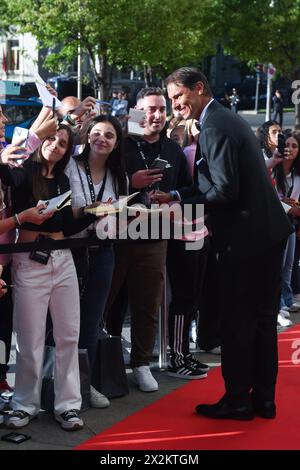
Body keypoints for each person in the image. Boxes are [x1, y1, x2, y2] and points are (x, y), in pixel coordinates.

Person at [165, 67, 292, 420]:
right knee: (264, 321)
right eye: (172, 98)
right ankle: (264, 401)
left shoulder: (215, 126)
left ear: (199, 88)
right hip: (268, 234)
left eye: (178, 97)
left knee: (238, 321)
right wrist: (175, 193)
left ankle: (237, 401)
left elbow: (223, 190)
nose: (175, 105)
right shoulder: (227, 119)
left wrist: (182, 202)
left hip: (244, 240)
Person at [0, 124, 96, 431]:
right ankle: (24, 404)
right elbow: (7, 177)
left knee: (68, 334)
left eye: (63, 142)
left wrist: (98, 211)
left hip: (63, 259)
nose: (55, 145)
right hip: (28, 260)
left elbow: (67, 227)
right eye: (51, 138)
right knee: (30, 338)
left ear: (69, 150)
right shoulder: (23, 173)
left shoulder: (65, 179)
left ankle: (67, 405)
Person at [105, 87, 192, 392]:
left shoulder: (173, 150)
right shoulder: (120, 145)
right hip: (114, 237)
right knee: (106, 304)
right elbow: (96, 185)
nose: (156, 115)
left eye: (160, 109)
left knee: (147, 306)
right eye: (150, 109)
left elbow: (185, 190)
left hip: (155, 238)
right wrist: (131, 182)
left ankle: (141, 363)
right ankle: (104, 362)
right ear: (136, 111)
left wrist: (173, 206)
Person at [65, 115, 127, 408]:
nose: (102, 139)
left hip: (103, 251)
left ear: (116, 144)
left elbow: (122, 216)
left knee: (91, 321)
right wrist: (89, 210)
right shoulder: (70, 166)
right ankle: (59, 387)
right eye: (97, 133)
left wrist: (121, 215)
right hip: (70, 250)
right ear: (88, 135)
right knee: (64, 323)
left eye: (110, 136)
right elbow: (60, 209)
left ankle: (85, 386)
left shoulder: (118, 175)